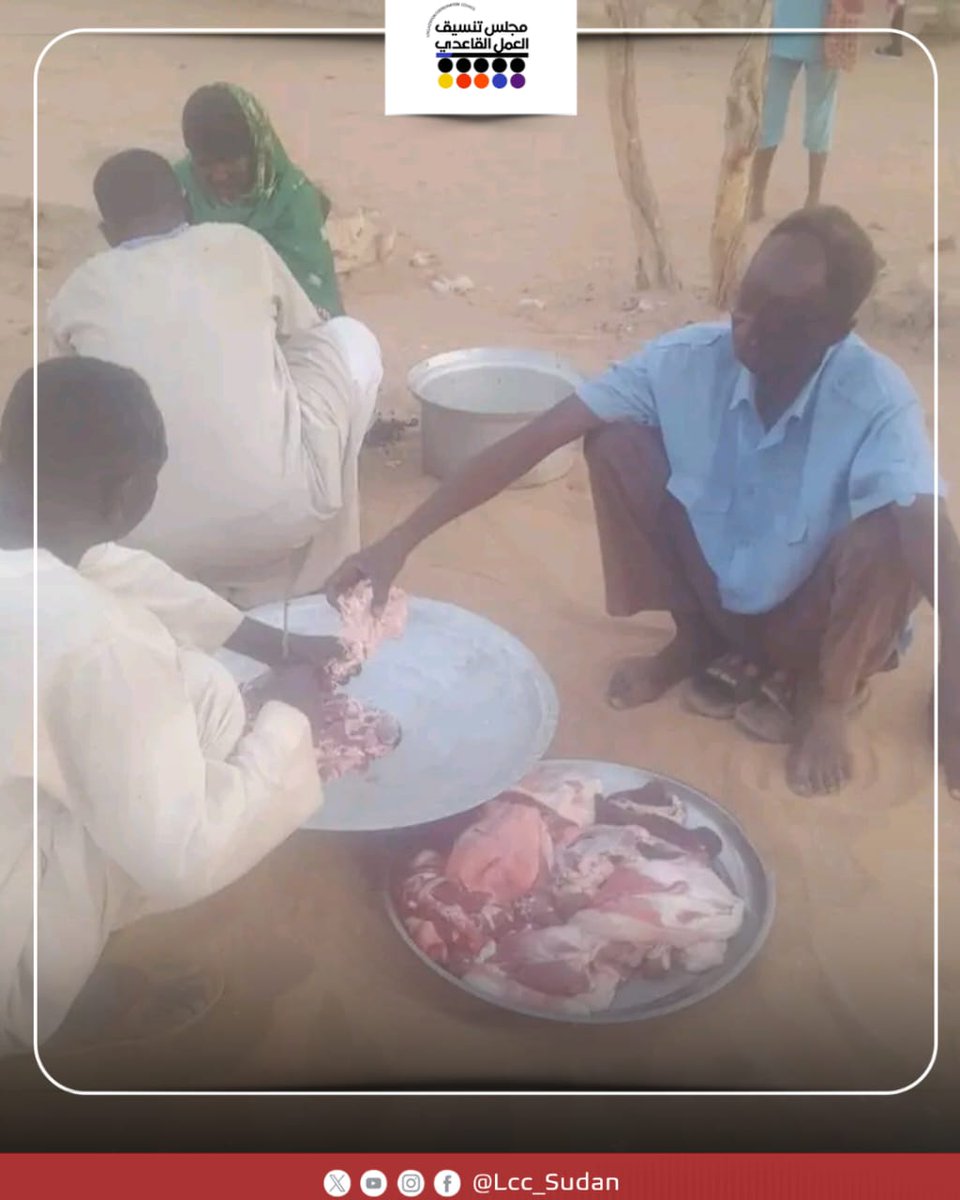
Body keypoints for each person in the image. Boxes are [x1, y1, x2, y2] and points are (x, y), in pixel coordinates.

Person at [326, 207, 960, 799]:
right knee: (618, 443)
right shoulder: (686, 362)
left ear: (835, 333)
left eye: (782, 314)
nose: (748, 322)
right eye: (747, 296)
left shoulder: (875, 397)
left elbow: (931, 531)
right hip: (724, 603)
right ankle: (695, 643)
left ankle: (828, 697)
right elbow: (536, 439)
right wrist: (397, 542)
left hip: (817, 624)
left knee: (896, 522)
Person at [0, 357, 348, 1056]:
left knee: (198, 688)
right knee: (158, 809)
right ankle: (33, 987)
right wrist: (286, 717)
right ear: (129, 496)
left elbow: (99, 565)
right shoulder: (97, 639)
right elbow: (182, 856)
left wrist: (266, 641)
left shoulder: (39, 551)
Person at [48, 149, 382, 609]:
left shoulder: (77, 292)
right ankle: (320, 563)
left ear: (107, 232)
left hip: (145, 545)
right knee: (349, 339)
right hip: (283, 517)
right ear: (185, 203)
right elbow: (309, 338)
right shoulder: (240, 244)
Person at [175, 83, 343, 320]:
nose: (219, 174)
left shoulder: (292, 199)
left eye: (229, 160)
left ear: (257, 151)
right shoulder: (179, 188)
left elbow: (311, 301)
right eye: (205, 163)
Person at [750, 0, 862, 221]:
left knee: (774, 115)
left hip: (802, 30)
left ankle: (758, 198)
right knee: (817, 115)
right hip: (821, 30)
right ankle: (811, 198)